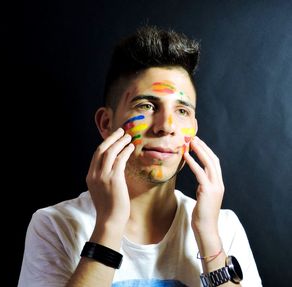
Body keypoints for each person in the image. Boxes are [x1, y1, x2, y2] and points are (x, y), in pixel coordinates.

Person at [18, 26, 262, 287]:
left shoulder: (224, 227)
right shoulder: (55, 226)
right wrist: (109, 226)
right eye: (146, 106)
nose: (166, 125)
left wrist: (209, 238)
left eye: (182, 111)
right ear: (105, 123)